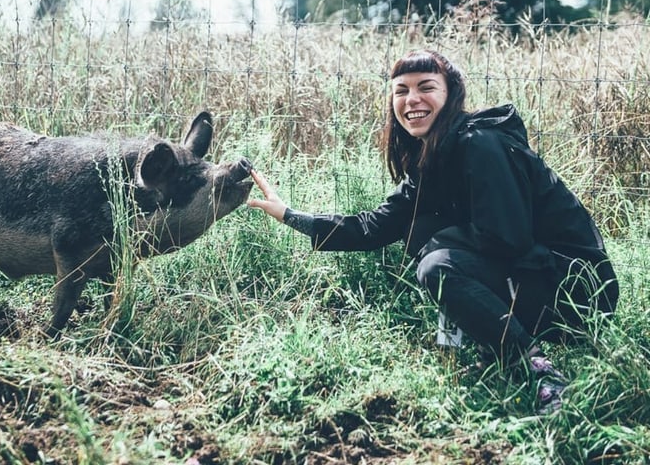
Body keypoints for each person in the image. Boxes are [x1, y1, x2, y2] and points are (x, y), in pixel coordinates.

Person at [247, 49, 618, 414]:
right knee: (418, 232)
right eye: (401, 90)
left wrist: (439, 245)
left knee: (436, 261)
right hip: (536, 274)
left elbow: (509, 237)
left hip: (578, 292)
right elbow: (375, 227)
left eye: (426, 87)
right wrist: (290, 215)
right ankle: (493, 350)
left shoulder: (480, 144)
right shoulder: (433, 156)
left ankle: (538, 368)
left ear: (450, 94)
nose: (412, 100)